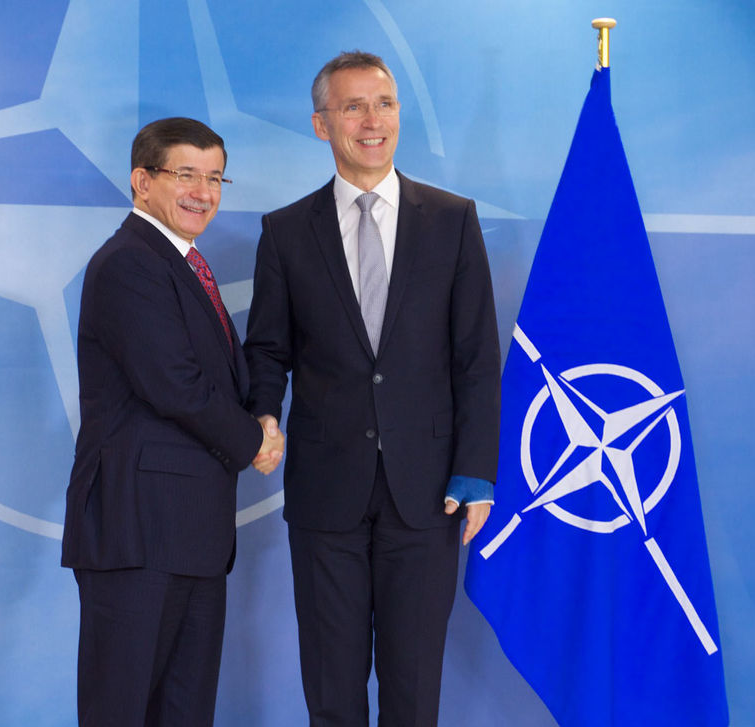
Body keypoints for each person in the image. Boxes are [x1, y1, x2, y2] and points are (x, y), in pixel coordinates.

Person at [243, 51, 501, 726]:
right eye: (353, 106)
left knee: (413, 686)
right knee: (332, 685)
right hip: (326, 491)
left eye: (383, 104)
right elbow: (268, 349)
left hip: (430, 492)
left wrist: (477, 471)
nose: (372, 120)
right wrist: (264, 415)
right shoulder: (285, 232)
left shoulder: (452, 220)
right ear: (322, 123)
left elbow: (476, 357)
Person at [61, 116, 284, 727]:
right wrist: (254, 442)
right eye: (185, 174)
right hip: (138, 532)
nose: (203, 192)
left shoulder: (182, 264)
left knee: (183, 713)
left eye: (215, 177)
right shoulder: (129, 263)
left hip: (191, 537)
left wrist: (260, 416)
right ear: (142, 181)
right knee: (122, 710)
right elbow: (176, 386)